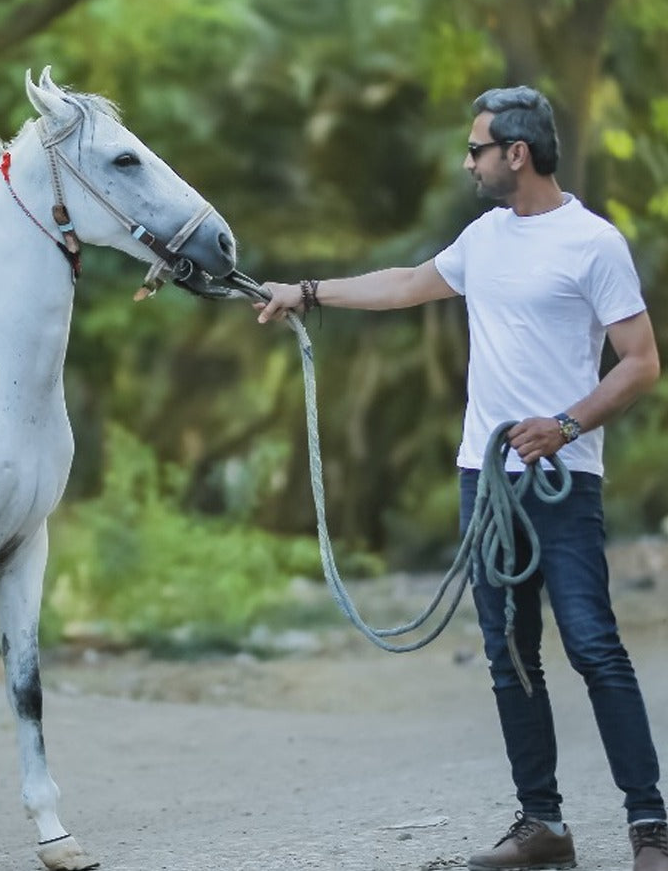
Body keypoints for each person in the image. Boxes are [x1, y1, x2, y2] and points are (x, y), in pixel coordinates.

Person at [254, 86, 667, 871]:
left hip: (561, 479)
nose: (468, 161)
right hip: (486, 479)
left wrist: (569, 423)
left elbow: (642, 363)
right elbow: (409, 283)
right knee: (509, 655)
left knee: (593, 647)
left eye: (477, 148)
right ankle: (542, 825)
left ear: (517, 153)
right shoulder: (484, 238)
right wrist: (306, 292)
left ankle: (650, 827)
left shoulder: (593, 243)